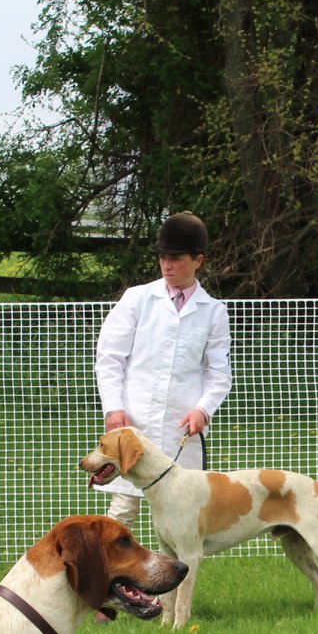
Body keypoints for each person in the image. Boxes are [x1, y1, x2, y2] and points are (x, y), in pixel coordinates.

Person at [93, 211, 233, 526]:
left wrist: (203, 410)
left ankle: (173, 577)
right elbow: (110, 358)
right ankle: (109, 575)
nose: (167, 265)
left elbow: (219, 373)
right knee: (122, 512)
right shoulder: (137, 299)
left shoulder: (213, 312)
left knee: (180, 518)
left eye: (176, 259)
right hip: (133, 422)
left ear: (198, 260)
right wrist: (113, 408)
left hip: (180, 428)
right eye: (162, 258)